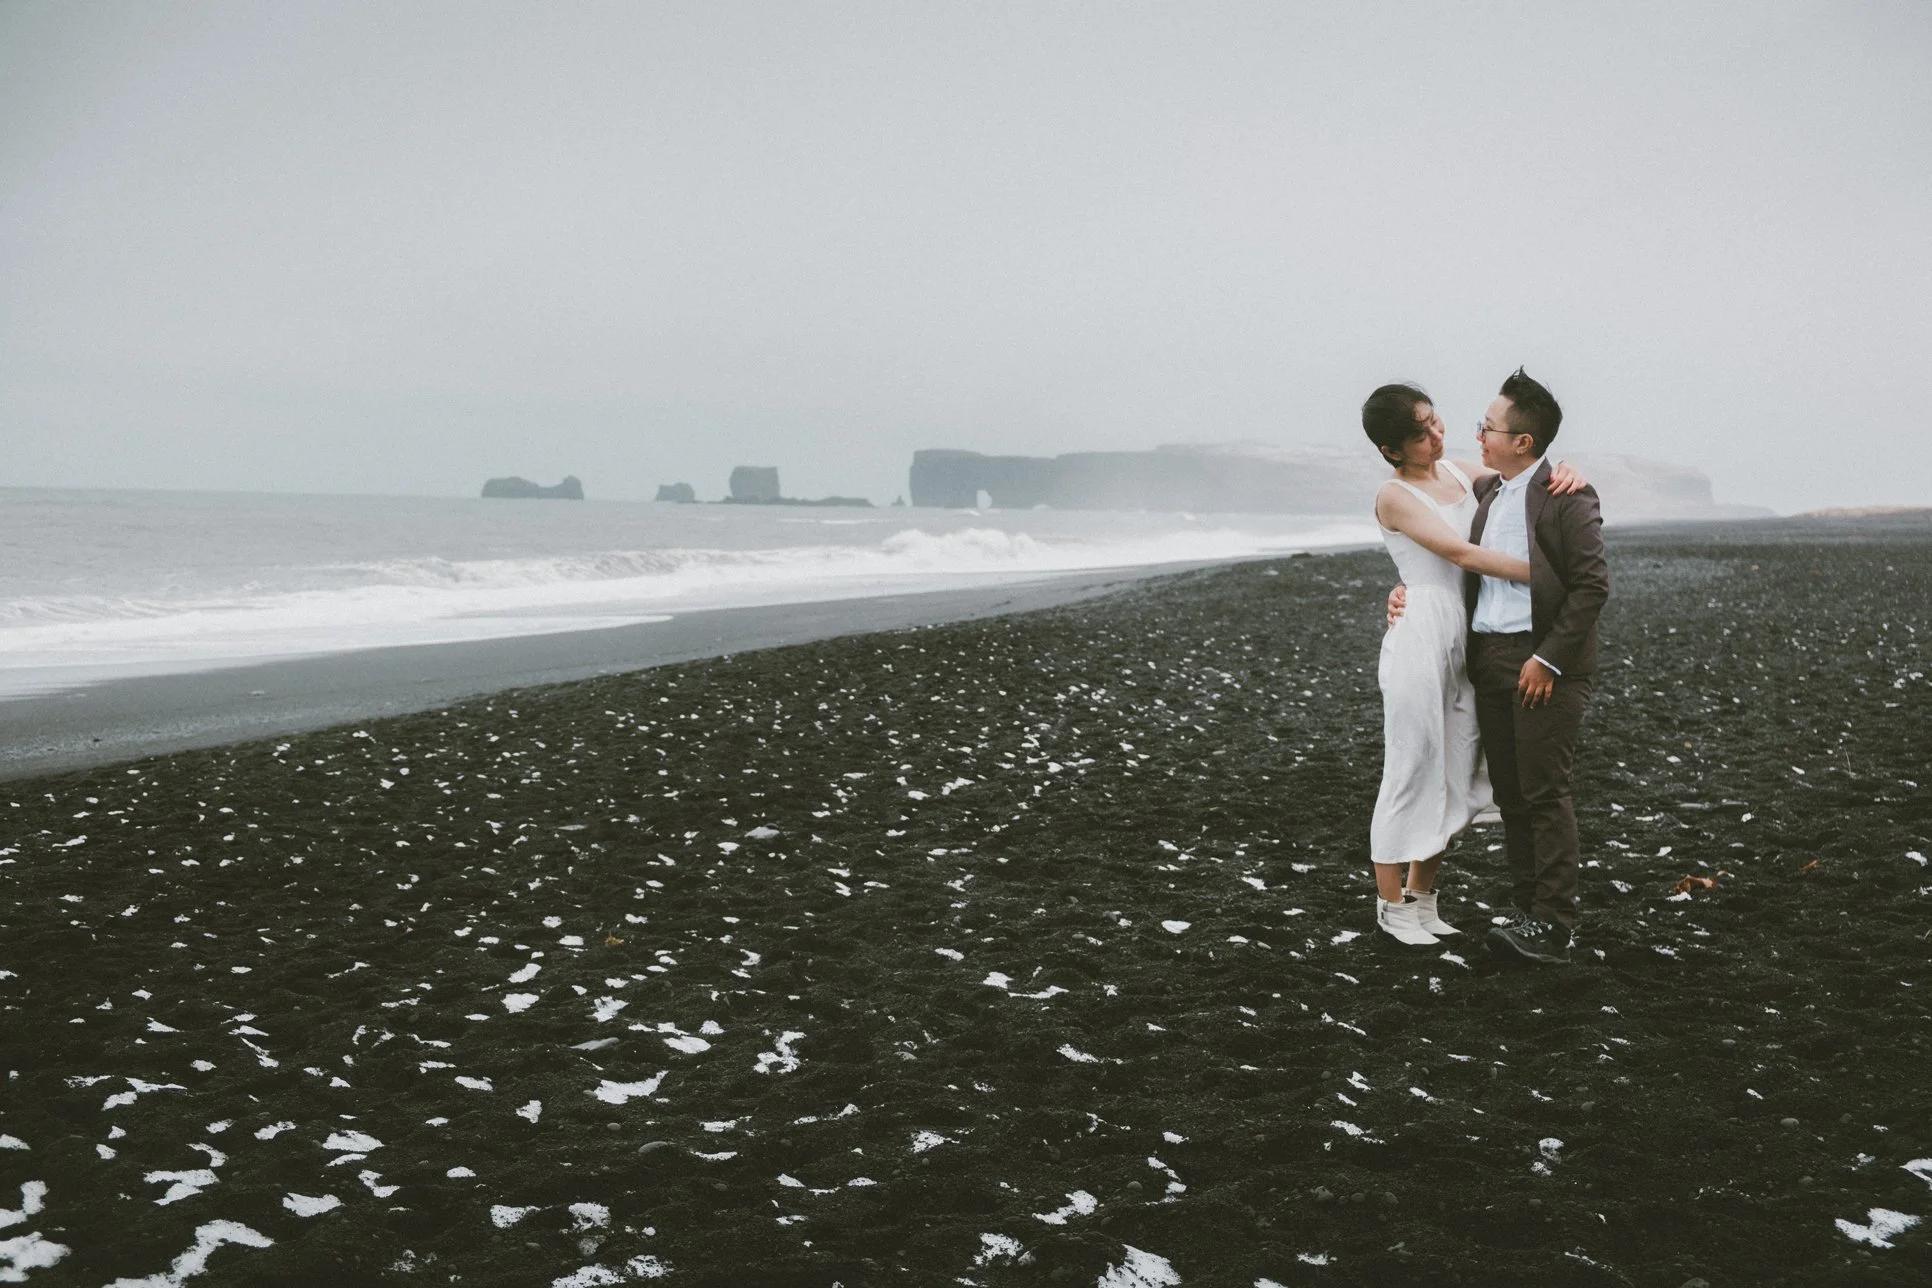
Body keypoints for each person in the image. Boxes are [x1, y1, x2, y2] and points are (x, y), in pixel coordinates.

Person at [1360, 383, 1586, 946]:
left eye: (1436, 422)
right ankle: (1391, 908)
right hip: (1422, 634)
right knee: (1410, 766)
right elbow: (1458, 554)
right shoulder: (1392, 494)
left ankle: (1424, 898)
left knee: (1456, 766)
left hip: (1468, 633)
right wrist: (1547, 577)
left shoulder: (1461, 474)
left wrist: (1571, 469)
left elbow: (1523, 476)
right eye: (1419, 435)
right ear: (1392, 450)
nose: (1436, 436)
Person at [1459, 368, 1609, 964]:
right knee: (1510, 794)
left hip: (1544, 658)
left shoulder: (1569, 495)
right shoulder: (1490, 491)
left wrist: (1547, 660)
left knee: (1545, 792)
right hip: (1490, 657)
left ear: (1524, 441)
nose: (1479, 436)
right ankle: (1525, 910)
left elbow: (1592, 586)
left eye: (1487, 428)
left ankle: (1554, 924)